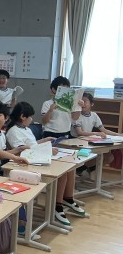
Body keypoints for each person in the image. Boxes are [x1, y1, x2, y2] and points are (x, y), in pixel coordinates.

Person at [6, 101, 72, 237]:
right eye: (30, 117)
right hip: (25, 164)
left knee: (63, 172)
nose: (31, 119)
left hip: (34, 161)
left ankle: (56, 206)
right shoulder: (13, 131)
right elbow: (22, 150)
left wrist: (45, 141)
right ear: (22, 116)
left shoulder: (25, 128)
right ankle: (23, 225)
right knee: (57, 174)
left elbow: (32, 145)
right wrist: (46, 149)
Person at [41, 78, 86, 225]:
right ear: (53, 90)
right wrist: (51, 110)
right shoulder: (47, 103)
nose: (64, 91)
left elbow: (74, 118)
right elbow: (44, 121)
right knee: (61, 170)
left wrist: (78, 106)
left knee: (71, 168)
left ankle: (68, 198)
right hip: (50, 136)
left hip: (66, 136)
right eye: (61, 88)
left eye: (67, 88)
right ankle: (57, 204)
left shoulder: (69, 104)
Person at [71, 93, 120, 172]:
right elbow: (80, 132)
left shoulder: (94, 115)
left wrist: (119, 135)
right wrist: (96, 133)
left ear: (92, 104)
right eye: (81, 101)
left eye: (85, 101)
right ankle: (80, 170)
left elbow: (104, 130)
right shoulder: (76, 115)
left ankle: (84, 170)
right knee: (90, 157)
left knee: (109, 157)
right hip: (77, 143)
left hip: (88, 143)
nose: (82, 103)